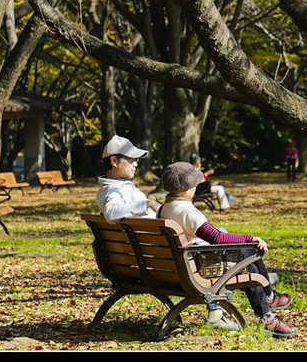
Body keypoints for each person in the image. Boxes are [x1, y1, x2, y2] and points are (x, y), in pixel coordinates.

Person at [96, 136, 235, 331]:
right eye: (131, 159)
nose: (136, 164)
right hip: (168, 260)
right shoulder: (113, 193)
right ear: (114, 161)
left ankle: (249, 278)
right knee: (220, 237)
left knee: (217, 235)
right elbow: (111, 212)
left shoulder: (115, 188)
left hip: (151, 260)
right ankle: (223, 305)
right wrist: (146, 203)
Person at [159, 162, 297, 339]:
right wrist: (250, 238)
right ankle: (268, 307)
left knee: (246, 253)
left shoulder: (165, 208)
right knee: (250, 252)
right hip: (201, 270)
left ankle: (269, 301)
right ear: (186, 190)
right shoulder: (187, 212)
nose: (196, 187)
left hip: (178, 269)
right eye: (194, 184)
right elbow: (216, 238)